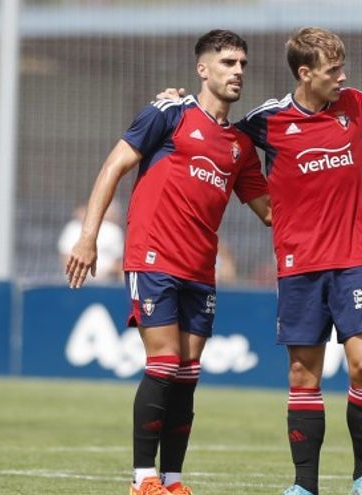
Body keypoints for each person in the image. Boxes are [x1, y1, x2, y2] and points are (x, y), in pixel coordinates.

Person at [66, 29, 271, 495]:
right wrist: (88, 237)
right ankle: (143, 480)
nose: (237, 71)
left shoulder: (240, 145)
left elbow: (271, 213)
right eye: (227, 62)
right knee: (164, 362)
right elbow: (114, 165)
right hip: (153, 258)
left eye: (242, 63)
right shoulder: (169, 112)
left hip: (201, 269)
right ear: (203, 69)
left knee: (188, 372)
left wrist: (331, 204)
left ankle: (174, 481)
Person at [236, 21, 362, 495]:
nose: (341, 77)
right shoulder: (267, 120)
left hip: (356, 257)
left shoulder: (356, 107)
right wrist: (264, 209)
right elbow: (228, 153)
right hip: (299, 266)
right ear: (305, 73)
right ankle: (305, 486)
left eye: (342, 68)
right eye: (333, 70)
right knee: (303, 372)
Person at [58, 201, 124, 283]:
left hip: (107, 280)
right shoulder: (72, 228)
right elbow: (66, 257)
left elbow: (119, 261)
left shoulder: (113, 230)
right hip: (78, 279)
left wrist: (103, 273)